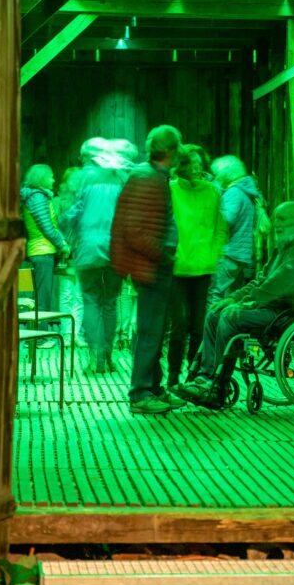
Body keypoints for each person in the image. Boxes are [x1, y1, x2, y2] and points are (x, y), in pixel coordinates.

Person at [176, 201, 294, 410]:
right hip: (273, 308)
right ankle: (205, 377)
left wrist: (249, 302)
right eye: (275, 218)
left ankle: (216, 387)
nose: (276, 223)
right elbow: (261, 280)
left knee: (231, 317)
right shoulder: (283, 248)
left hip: (291, 314)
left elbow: (281, 282)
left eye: (283, 219)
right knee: (216, 312)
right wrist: (234, 298)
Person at [110, 124, 184, 415]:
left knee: (156, 328)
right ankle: (141, 392)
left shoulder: (151, 176)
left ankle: (153, 386)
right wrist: (162, 255)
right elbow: (134, 231)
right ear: (170, 151)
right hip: (152, 265)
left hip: (153, 263)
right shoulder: (148, 178)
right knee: (151, 330)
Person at [64, 138, 131, 374]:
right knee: (110, 302)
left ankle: (94, 357)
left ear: (87, 156)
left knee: (91, 300)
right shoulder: (121, 177)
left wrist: (70, 234)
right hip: (116, 247)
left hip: (88, 247)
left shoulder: (81, 178)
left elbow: (71, 213)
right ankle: (108, 356)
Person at [167, 145, 227, 389]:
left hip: (203, 267)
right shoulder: (170, 189)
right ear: (180, 165)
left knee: (198, 325)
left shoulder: (213, 191)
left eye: (199, 163)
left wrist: (213, 255)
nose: (196, 167)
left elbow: (220, 227)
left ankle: (193, 375)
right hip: (177, 268)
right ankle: (173, 376)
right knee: (178, 325)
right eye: (190, 163)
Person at [20, 164, 70, 339]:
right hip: (42, 251)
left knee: (40, 295)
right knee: (43, 296)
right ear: (41, 178)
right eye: (50, 176)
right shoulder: (37, 197)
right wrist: (62, 244)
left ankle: (36, 335)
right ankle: (39, 337)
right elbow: (47, 227)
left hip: (40, 250)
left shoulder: (35, 196)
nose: (54, 180)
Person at [207, 155, 259, 307]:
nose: (216, 177)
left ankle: (211, 321)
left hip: (229, 252)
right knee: (231, 296)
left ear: (226, 174)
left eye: (217, 174)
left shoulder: (234, 193)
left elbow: (225, 221)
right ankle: (226, 322)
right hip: (241, 253)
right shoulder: (246, 192)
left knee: (214, 293)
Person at [54, 166, 86, 347]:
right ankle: (66, 332)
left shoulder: (86, 200)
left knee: (80, 295)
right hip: (65, 252)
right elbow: (54, 225)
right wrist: (62, 243)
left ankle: (76, 333)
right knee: (66, 294)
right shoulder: (59, 201)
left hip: (82, 252)